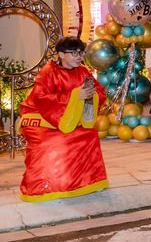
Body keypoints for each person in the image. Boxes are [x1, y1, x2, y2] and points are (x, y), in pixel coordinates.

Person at [18, 37, 108, 201]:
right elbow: (41, 98)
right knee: (56, 141)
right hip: (39, 118)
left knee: (89, 136)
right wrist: (74, 96)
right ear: (61, 54)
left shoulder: (82, 71)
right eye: (74, 53)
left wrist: (91, 95)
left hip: (68, 118)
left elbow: (99, 91)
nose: (79, 57)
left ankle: (84, 183)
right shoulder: (48, 71)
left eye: (81, 53)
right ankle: (44, 186)